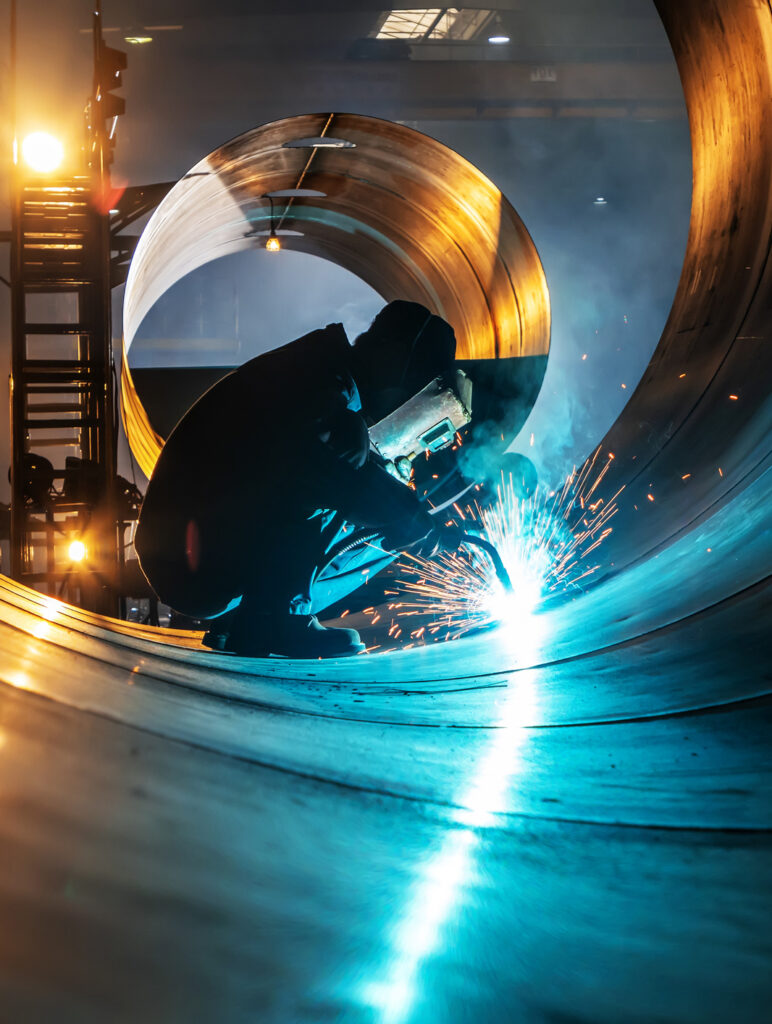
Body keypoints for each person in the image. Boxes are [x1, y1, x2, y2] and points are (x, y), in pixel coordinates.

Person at [135, 301, 464, 658]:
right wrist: (403, 513)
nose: (401, 399)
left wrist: (401, 515)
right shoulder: (319, 383)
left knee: (385, 514)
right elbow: (317, 474)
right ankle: (276, 618)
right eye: (410, 384)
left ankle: (247, 619)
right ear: (393, 353)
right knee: (365, 480)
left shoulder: (323, 373)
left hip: (191, 554)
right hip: (193, 564)